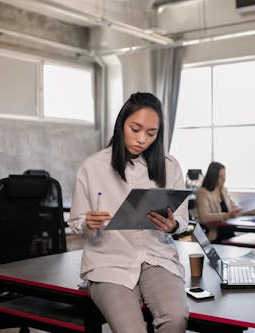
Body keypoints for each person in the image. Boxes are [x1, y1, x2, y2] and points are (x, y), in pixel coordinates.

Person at [68, 92, 188, 333]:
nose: (142, 139)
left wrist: (173, 226)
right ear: (122, 123)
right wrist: (87, 223)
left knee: (175, 318)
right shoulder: (92, 167)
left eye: (151, 134)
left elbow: (182, 219)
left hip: (157, 257)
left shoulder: (169, 165)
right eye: (135, 129)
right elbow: (76, 222)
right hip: (109, 261)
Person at [196, 161, 242, 242]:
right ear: (212, 177)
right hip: (216, 236)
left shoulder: (223, 190)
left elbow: (234, 208)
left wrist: (252, 211)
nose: (224, 179)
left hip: (229, 233)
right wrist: (226, 215)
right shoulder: (203, 192)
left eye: (224, 176)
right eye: (220, 177)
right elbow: (204, 217)